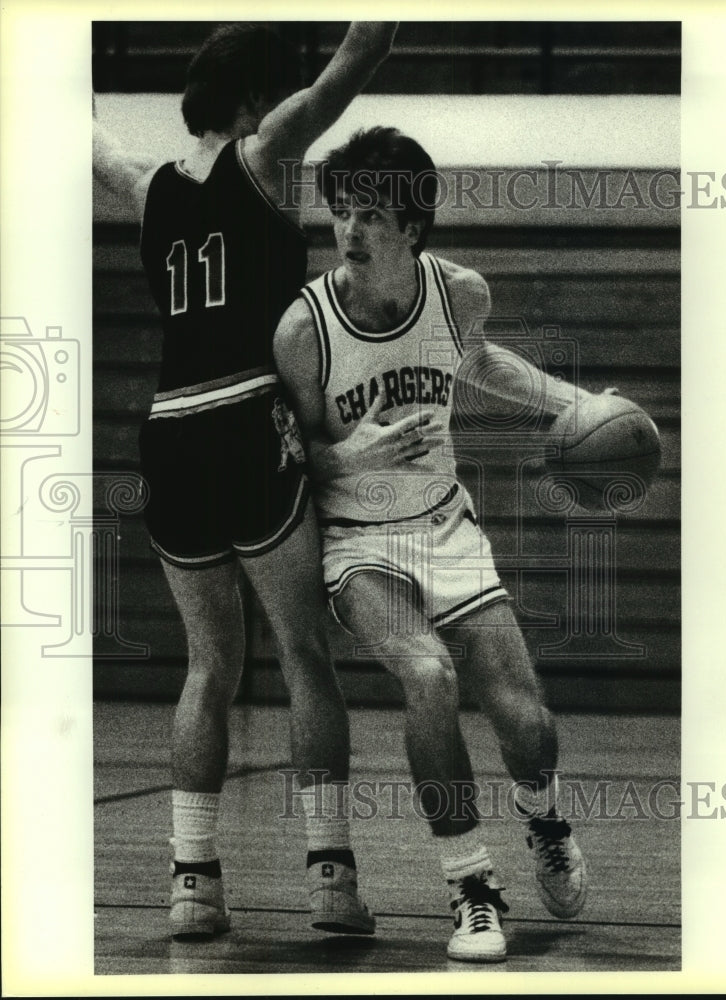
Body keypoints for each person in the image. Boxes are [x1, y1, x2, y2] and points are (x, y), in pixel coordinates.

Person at [92, 22, 397, 940]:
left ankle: (193, 882)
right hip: (244, 418)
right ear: (256, 102)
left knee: (208, 666)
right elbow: (363, 53)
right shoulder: (265, 156)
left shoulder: (146, 192)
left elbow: (90, 145)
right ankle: (332, 881)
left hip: (170, 430)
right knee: (305, 652)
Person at [273, 126, 591, 963]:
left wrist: (575, 404)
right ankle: (471, 887)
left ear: (413, 227)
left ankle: (546, 820)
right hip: (358, 542)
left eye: (372, 215)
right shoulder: (305, 329)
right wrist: (352, 453)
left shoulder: (459, 295)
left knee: (526, 722)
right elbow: (289, 453)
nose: (350, 231)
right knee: (428, 675)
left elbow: (481, 360)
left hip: (446, 526)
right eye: (343, 212)